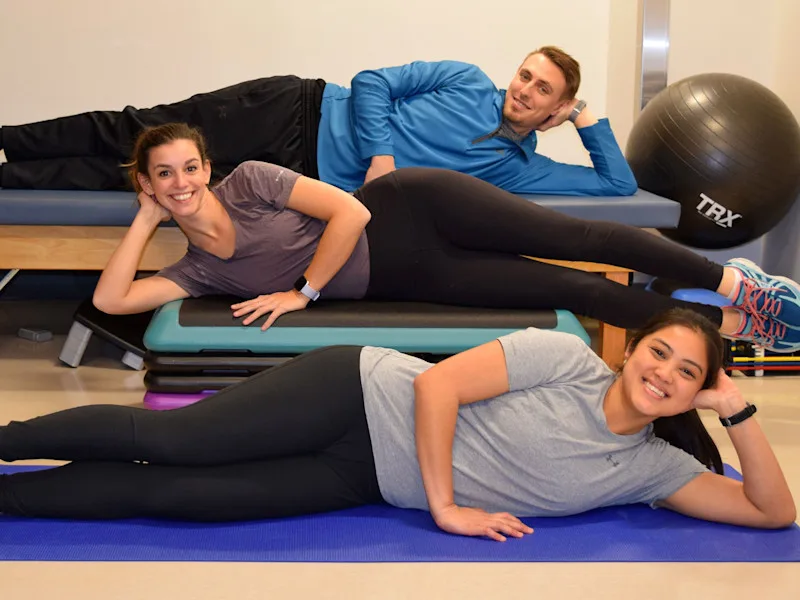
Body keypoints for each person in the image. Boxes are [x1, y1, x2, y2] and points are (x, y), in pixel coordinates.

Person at [0, 309, 795, 536]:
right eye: (659, 353)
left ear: (700, 391)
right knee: (173, 443)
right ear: (632, 350)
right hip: (358, 392)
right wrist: (446, 507)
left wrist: (740, 410)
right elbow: (438, 386)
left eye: (687, 373)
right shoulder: (564, 357)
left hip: (365, 477)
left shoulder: (653, 468)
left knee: (180, 500)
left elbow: (773, 513)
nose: (664, 374)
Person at [91, 123, 800, 353]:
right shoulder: (197, 272)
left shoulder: (249, 181)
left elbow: (351, 214)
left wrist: (303, 291)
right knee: (573, 291)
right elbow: (112, 300)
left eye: (189, 168)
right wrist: (146, 221)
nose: (181, 182)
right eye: (164, 176)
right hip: (416, 276)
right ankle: (735, 325)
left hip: (416, 208)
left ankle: (736, 282)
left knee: (580, 237)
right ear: (148, 183)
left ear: (207, 167)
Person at [0, 47, 637, 196]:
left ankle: (9, 180)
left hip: (294, 175)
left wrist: (589, 117)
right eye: (525, 75)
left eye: (543, 91)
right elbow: (372, 82)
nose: (524, 90)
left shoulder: (519, 170)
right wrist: (382, 158)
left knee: (149, 180)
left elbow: (618, 185)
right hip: (291, 109)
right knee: (136, 130)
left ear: (554, 110)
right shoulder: (466, 78)